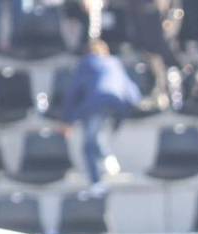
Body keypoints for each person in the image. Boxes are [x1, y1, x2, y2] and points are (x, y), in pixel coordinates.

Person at [55, 38, 142, 192]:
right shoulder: (114, 62)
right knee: (96, 134)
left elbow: (74, 92)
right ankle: (108, 158)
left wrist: (66, 120)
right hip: (116, 105)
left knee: (88, 145)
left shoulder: (86, 63)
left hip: (95, 103)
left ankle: (96, 183)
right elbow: (131, 90)